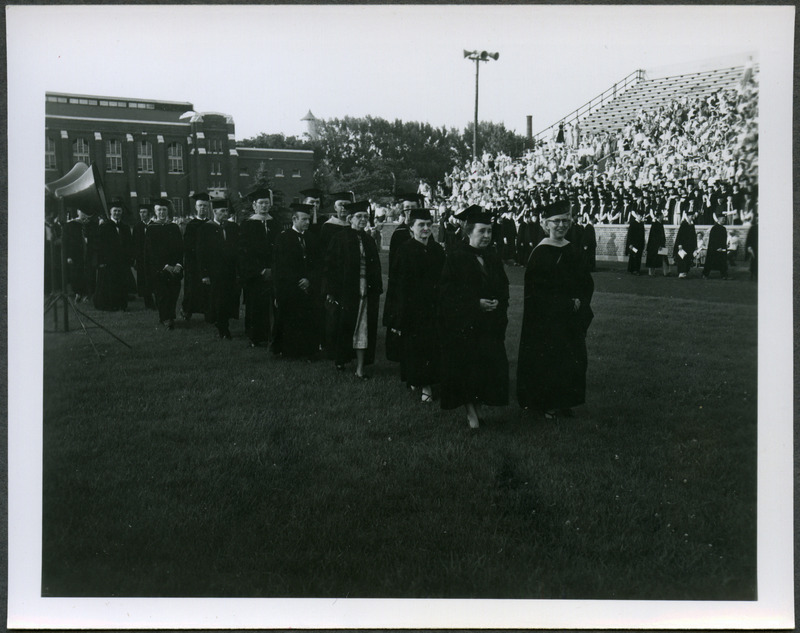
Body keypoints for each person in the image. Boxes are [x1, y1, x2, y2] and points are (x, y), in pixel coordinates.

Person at [517, 198, 594, 419]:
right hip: (547, 320)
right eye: (556, 221)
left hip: (570, 317)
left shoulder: (572, 249)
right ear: (546, 224)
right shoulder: (540, 253)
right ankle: (548, 404)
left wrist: (580, 299)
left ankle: (564, 402)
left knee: (571, 360)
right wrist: (566, 303)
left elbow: (586, 281)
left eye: (566, 221)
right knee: (550, 361)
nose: (561, 225)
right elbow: (538, 292)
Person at [439, 205, 509, 430]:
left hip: (489, 325)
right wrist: (474, 303)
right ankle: (471, 415)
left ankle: (478, 410)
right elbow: (447, 292)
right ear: (469, 232)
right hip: (465, 325)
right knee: (467, 370)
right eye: (482, 231)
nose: (487, 236)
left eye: (489, 231)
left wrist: (498, 301)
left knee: (484, 371)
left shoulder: (492, 257)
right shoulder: (456, 257)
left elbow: (503, 287)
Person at [323, 200, 383, 379]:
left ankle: (360, 368)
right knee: (345, 325)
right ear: (350, 219)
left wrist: (375, 289)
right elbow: (331, 266)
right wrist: (331, 290)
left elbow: (376, 267)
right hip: (346, 290)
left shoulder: (369, 240)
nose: (363, 219)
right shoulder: (339, 238)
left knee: (363, 327)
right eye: (359, 216)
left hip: (366, 290)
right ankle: (341, 359)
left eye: (365, 216)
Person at [394, 208, 446, 403]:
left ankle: (429, 381)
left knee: (433, 346)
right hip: (414, 307)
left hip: (435, 305)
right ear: (411, 228)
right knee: (417, 347)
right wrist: (401, 312)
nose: (425, 228)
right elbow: (400, 285)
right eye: (421, 225)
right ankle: (423, 385)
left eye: (428, 225)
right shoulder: (405, 250)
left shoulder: (437, 250)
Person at [272, 203, 320, 359]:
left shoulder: (312, 238)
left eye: (309, 219)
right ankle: (290, 351)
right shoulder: (283, 238)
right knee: (291, 319)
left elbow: (317, 263)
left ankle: (309, 350)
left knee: (308, 319)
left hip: (309, 285)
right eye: (304, 219)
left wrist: (309, 279)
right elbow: (282, 265)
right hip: (290, 286)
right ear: (294, 219)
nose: (307, 222)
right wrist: (298, 281)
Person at [383, 193, 421, 362]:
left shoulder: (423, 229)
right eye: (407, 208)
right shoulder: (399, 233)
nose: (409, 212)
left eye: (413, 208)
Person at [197, 199, 240, 339]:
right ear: (214, 212)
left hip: (230, 270)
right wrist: (204, 274)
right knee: (219, 299)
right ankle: (223, 328)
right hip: (215, 271)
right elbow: (201, 253)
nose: (225, 214)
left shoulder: (232, 227)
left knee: (229, 298)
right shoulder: (205, 228)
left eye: (226, 211)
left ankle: (224, 322)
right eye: (222, 211)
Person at [238, 188, 276, 347]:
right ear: (254, 205)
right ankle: (255, 336)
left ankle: (271, 334)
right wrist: (260, 270)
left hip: (273, 271)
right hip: (255, 273)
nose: (264, 206)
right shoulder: (247, 225)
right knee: (255, 304)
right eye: (261, 203)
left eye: (267, 203)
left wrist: (273, 268)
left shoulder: (275, 222)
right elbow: (244, 252)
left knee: (271, 305)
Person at [144, 199, 184, 329]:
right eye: (159, 210)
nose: (162, 212)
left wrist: (178, 264)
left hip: (175, 267)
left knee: (173, 293)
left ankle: (170, 316)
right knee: (162, 294)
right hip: (160, 268)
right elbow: (151, 251)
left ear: (168, 211)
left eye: (164, 210)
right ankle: (165, 318)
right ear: (155, 212)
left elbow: (179, 248)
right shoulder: (151, 229)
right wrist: (165, 266)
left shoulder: (174, 227)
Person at [93, 197, 133, 311]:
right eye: (115, 211)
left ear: (122, 212)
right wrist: (101, 261)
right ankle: (110, 305)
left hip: (122, 261)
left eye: (119, 211)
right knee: (110, 284)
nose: (117, 213)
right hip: (108, 261)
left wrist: (129, 258)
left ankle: (122, 305)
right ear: (110, 212)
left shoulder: (125, 227)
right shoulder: (104, 227)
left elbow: (129, 245)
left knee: (122, 283)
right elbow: (99, 246)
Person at [181, 192, 211, 322]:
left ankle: (208, 312)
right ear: (196, 207)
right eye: (200, 206)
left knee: (207, 289)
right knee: (191, 288)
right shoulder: (191, 225)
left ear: (208, 207)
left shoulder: (211, 224)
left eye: (205, 206)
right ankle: (187, 311)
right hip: (193, 262)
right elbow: (187, 246)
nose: (203, 208)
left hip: (208, 263)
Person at [63, 208, 99, 303]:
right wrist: (68, 256)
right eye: (82, 212)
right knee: (77, 274)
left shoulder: (93, 225)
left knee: (90, 273)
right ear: (78, 212)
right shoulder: (70, 225)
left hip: (89, 253)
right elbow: (65, 242)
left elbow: (97, 240)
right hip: (76, 254)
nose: (84, 215)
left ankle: (88, 294)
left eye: (86, 213)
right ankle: (78, 293)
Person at [133, 204, 155, 308]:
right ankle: (148, 302)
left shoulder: (155, 225)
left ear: (149, 214)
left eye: (144, 212)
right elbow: (135, 244)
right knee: (144, 279)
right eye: (140, 212)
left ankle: (158, 300)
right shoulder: (137, 227)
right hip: (142, 258)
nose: (142, 214)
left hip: (153, 258)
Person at [703, 211, 729, 279]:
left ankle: (724, 275)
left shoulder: (724, 229)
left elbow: (724, 240)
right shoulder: (714, 228)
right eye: (722, 219)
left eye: (724, 219)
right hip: (714, 249)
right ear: (718, 219)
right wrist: (717, 247)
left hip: (722, 248)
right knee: (710, 262)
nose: (724, 220)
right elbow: (713, 239)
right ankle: (705, 274)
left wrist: (723, 247)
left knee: (723, 262)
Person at [673, 210, 697, 279]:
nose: (693, 217)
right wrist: (680, 245)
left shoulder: (692, 225)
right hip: (683, 245)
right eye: (692, 216)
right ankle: (681, 272)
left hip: (690, 246)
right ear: (689, 216)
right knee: (682, 259)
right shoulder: (684, 224)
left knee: (688, 259)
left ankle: (685, 272)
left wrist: (695, 246)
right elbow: (680, 235)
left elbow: (694, 236)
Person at [645, 209, 669, 277]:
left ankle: (666, 272)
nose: (663, 217)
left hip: (661, 244)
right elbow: (653, 237)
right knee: (653, 259)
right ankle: (651, 272)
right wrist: (659, 245)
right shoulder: (655, 225)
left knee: (664, 257)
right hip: (655, 245)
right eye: (662, 216)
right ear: (659, 216)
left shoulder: (660, 224)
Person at [625, 207, 645, 275]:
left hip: (639, 244)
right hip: (634, 244)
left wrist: (643, 244)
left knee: (638, 257)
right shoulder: (633, 223)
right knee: (633, 256)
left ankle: (636, 269)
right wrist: (630, 243)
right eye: (640, 216)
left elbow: (643, 235)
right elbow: (630, 234)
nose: (641, 217)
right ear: (637, 215)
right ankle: (632, 269)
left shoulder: (642, 224)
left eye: (642, 216)